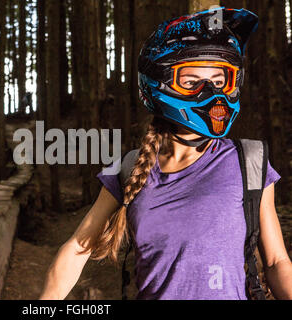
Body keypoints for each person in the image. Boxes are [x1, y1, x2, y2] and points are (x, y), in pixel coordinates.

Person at [39, 7, 292, 300]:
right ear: (157, 82)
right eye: (191, 80)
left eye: (219, 81)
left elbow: (276, 262)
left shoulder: (250, 161)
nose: (210, 91)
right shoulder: (130, 168)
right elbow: (77, 248)